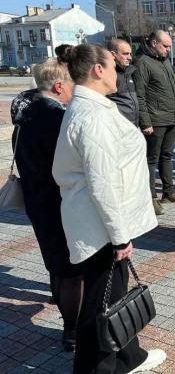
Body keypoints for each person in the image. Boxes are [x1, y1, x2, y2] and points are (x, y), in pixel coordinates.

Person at [53, 43, 165, 374]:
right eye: (113, 65)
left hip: (100, 222)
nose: (118, 71)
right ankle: (95, 369)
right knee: (99, 307)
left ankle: (130, 357)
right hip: (100, 227)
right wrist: (119, 237)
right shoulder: (92, 117)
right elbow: (103, 183)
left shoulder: (95, 109)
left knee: (113, 297)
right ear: (98, 70)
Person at [12, 56, 81, 352]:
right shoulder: (55, 119)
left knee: (55, 262)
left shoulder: (25, 117)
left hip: (37, 201)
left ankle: (68, 320)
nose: (73, 90)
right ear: (57, 85)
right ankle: (73, 330)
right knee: (72, 270)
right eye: (70, 85)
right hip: (59, 202)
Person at [133, 30, 175, 216]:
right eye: (165, 46)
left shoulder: (163, 60)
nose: (168, 50)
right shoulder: (142, 62)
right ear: (154, 43)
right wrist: (145, 121)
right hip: (154, 121)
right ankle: (151, 197)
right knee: (151, 159)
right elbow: (139, 95)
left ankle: (169, 191)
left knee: (167, 156)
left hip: (170, 118)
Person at [107, 38, 139, 126]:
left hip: (132, 127)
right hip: (117, 127)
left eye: (130, 54)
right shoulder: (107, 75)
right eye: (125, 54)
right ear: (113, 54)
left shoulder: (131, 71)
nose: (130, 57)